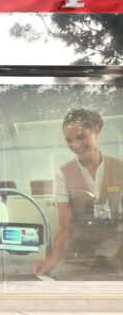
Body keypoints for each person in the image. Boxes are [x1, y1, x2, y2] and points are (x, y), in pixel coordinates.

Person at [34, 109, 122, 279]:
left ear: (97, 130)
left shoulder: (119, 168)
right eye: (69, 140)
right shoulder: (63, 173)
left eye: (81, 137)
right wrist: (50, 261)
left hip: (117, 255)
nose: (75, 145)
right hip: (80, 258)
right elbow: (64, 227)